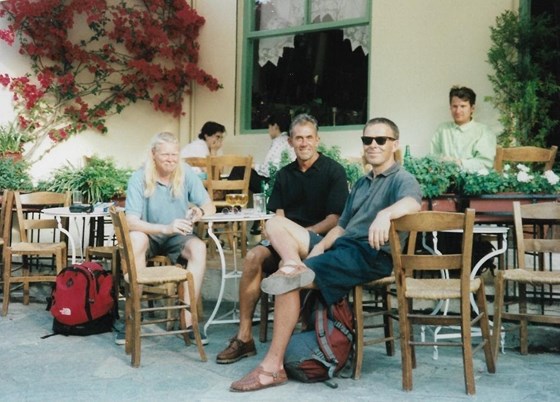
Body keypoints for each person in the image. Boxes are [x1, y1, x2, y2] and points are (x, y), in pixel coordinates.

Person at [229, 117, 422, 392]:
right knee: (277, 234)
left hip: (371, 254)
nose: (373, 145)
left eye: (381, 140)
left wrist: (386, 214)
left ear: (395, 144)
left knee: (287, 280)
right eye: (368, 140)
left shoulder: (401, 179)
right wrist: (319, 247)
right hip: (345, 249)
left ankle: (272, 368)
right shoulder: (363, 183)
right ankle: (293, 264)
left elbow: (414, 202)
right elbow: (342, 225)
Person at [216, 113, 349, 364]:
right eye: (299, 138)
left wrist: (300, 232)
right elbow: (277, 215)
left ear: (317, 140)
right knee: (254, 256)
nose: (304, 143)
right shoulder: (285, 175)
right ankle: (244, 338)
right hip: (284, 240)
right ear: (290, 142)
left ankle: (287, 341)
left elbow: (335, 219)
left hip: (318, 242)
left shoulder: (334, 171)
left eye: (309, 137)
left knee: (282, 263)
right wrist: (281, 234)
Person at [125, 131, 216, 344]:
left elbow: (208, 204)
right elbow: (131, 221)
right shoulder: (139, 177)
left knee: (198, 248)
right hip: (151, 234)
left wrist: (199, 213)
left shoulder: (184, 172)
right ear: (153, 154)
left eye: (175, 154)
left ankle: (188, 323)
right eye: (165, 154)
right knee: (137, 239)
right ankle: (132, 319)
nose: (171, 159)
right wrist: (165, 228)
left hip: (178, 236)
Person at [430, 86, 496, 171]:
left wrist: (460, 163)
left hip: (473, 180)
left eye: (463, 106)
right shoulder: (442, 129)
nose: (458, 111)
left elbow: (486, 163)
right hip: (444, 180)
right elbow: (432, 157)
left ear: (472, 108)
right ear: (450, 107)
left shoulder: (484, 131)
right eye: (454, 106)